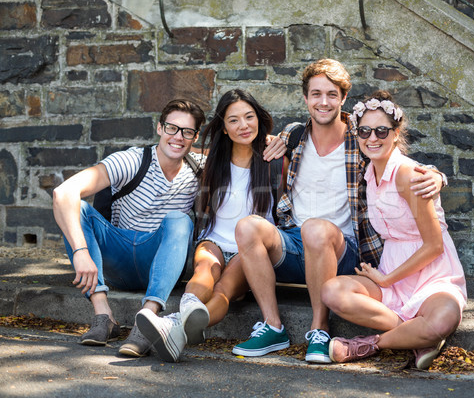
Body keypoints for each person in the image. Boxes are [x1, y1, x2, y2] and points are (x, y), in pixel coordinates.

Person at [232, 59, 446, 364]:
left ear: (343, 98)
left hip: (343, 248)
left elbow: (401, 161)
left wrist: (437, 176)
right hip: (295, 244)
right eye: (316, 94)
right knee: (247, 227)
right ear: (305, 98)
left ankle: (319, 329)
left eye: (332, 94)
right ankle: (273, 327)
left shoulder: (360, 138)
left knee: (316, 229)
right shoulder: (294, 137)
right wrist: (276, 140)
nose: (323, 102)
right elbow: (236, 144)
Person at [53, 98, 286, 358]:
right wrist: (81, 251)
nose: (178, 137)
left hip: (159, 261)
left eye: (187, 132)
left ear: (195, 137)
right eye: (172, 128)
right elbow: (63, 193)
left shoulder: (198, 166)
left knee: (180, 220)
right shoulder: (131, 160)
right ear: (160, 128)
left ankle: (149, 319)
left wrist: (279, 139)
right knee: (77, 208)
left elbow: (238, 147)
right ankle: (103, 317)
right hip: (117, 257)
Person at [134, 89, 288, 362]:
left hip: (250, 249)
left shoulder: (275, 159)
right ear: (224, 129)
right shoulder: (210, 162)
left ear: (259, 118)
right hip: (213, 240)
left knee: (224, 289)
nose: (243, 126)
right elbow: (173, 154)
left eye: (249, 117)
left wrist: (290, 134)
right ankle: (182, 322)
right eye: (233, 120)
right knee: (204, 271)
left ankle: (173, 326)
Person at [321, 91, 467, 370]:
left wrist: (387, 280)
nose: (372, 138)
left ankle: (369, 344)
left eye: (381, 130)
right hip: (392, 270)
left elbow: (434, 246)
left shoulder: (407, 174)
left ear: (396, 133)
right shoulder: (369, 173)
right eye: (364, 130)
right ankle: (416, 335)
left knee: (443, 319)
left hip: (432, 274)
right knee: (332, 291)